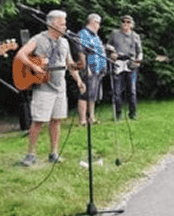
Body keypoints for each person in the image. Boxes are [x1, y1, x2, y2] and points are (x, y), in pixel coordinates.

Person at [15, 10, 86, 166]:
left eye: (65, 23)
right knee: (38, 121)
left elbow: (69, 64)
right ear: (52, 24)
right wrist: (34, 66)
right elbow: (20, 54)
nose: (65, 26)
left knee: (56, 120)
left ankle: (53, 153)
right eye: (62, 23)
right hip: (43, 87)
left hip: (60, 87)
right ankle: (30, 154)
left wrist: (79, 80)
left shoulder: (65, 42)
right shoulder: (39, 39)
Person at [106, 15, 143, 120]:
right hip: (117, 63)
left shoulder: (135, 36)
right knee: (116, 91)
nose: (126, 24)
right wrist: (111, 52)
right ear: (120, 23)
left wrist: (138, 60)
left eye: (128, 22)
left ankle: (132, 114)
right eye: (124, 21)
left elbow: (139, 51)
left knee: (132, 90)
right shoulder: (114, 34)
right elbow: (107, 46)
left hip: (130, 64)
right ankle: (118, 114)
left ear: (132, 24)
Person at [77, 13, 107, 126]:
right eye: (98, 23)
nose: (99, 26)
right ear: (93, 22)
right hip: (89, 68)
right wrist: (85, 68)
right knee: (85, 93)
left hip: (98, 68)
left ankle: (91, 117)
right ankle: (82, 120)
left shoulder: (95, 35)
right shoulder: (83, 34)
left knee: (93, 94)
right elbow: (81, 51)